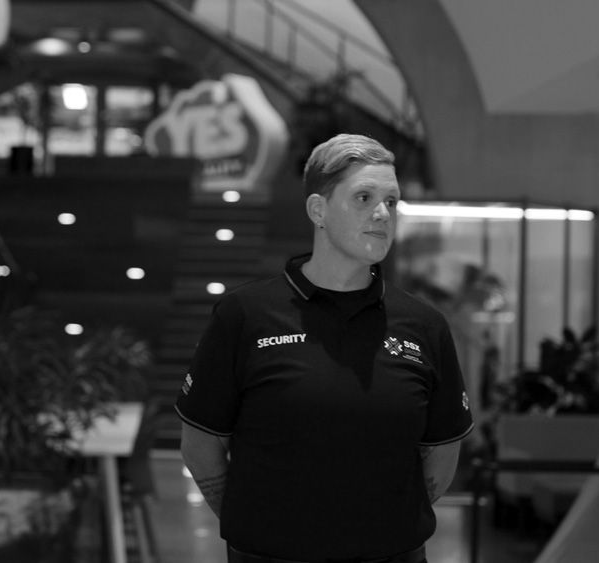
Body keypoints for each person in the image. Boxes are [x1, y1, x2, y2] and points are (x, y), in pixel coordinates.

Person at [176, 133, 474, 563]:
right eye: (364, 197)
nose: (382, 213)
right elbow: (200, 444)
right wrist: (255, 523)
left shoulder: (424, 325)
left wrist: (383, 529)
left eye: (391, 201)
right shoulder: (245, 315)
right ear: (318, 210)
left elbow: (442, 453)